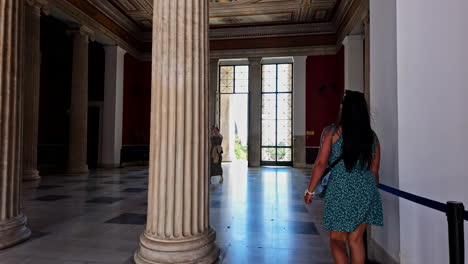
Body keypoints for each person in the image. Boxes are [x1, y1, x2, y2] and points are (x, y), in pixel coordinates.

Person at [304, 91, 383, 264]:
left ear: (344, 108)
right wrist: (369, 194)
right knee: (356, 240)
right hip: (365, 190)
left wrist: (310, 190)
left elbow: (320, 163)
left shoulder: (332, 133)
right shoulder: (372, 137)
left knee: (337, 239)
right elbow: (374, 171)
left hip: (340, 189)